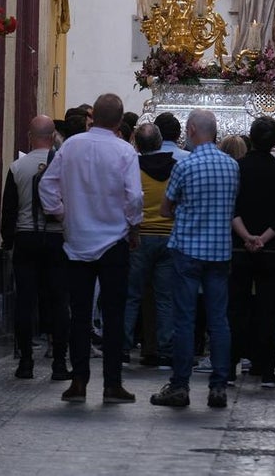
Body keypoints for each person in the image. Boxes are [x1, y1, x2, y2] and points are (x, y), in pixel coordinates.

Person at [39, 93, 143, 404]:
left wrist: (62, 212)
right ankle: (112, 383)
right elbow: (134, 197)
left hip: (77, 240)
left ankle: (79, 380)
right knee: (113, 314)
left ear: (93, 115)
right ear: (119, 120)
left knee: (80, 313)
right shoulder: (125, 151)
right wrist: (133, 226)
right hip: (114, 242)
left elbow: (47, 185)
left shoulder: (71, 146)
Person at [150, 109, 240, 409]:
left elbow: (165, 208)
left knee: (185, 320)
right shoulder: (231, 166)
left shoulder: (185, 166)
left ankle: (180, 386)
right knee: (219, 320)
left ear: (190, 130)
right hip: (219, 251)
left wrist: (185, 210)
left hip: (188, 250)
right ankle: (218, 386)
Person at [1, 115, 70, 381]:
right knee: (59, 301)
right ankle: (60, 364)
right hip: (55, 238)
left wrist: (8, 242)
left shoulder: (17, 167)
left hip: (26, 237)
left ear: (30, 136)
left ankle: (26, 362)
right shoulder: (63, 166)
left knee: (25, 301)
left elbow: (9, 211)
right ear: (53, 136)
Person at [229, 116, 275, 387]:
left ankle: (231, 366)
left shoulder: (237, 169)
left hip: (239, 245)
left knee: (237, 308)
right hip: (271, 249)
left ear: (251, 138)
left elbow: (231, 206)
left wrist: (246, 236)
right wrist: (264, 238)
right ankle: (267, 370)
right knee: (268, 310)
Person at [124, 123, 178, 369]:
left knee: (132, 295)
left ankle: (123, 348)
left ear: (137, 144)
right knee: (165, 297)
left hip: (140, 236)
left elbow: (129, 200)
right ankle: (166, 349)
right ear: (159, 142)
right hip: (168, 236)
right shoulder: (175, 167)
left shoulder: (133, 167)